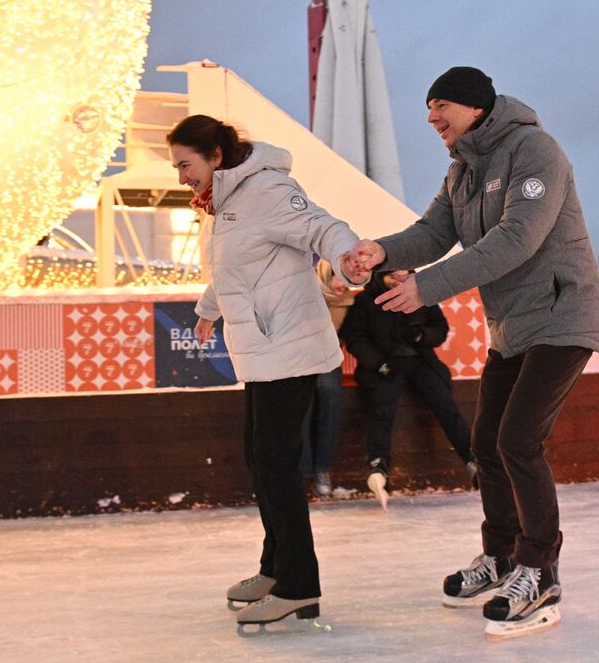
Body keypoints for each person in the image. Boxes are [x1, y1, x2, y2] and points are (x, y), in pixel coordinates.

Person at [348, 66, 599, 642]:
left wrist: (427, 288)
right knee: (488, 443)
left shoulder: (535, 150)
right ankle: (504, 558)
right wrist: (379, 249)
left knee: (518, 440)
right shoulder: (462, 170)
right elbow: (433, 234)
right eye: (428, 108)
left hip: (563, 316)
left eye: (441, 105)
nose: (431, 118)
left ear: (475, 106)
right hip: (512, 325)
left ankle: (540, 571)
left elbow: (518, 239)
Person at [168, 114, 364, 633]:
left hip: (290, 348)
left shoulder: (268, 189)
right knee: (262, 460)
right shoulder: (226, 201)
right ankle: (275, 571)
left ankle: (299, 587)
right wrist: (209, 307)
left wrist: (349, 259)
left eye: (185, 164)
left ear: (214, 155)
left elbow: (324, 227)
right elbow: (236, 266)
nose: (181, 176)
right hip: (263, 350)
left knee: (276, 465)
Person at [339, 268, 474, 509]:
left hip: (420, 360)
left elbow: (440, 328)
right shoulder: (366, 301)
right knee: (383, 407)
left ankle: (473, 460)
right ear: (381, 276)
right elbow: (355, 337)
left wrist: (422, 336)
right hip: (384, 365)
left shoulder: (420, 295)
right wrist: (377, 363)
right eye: (393, 277)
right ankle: (378, 465)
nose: (399, 282)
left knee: (445, 403)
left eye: (405, 276)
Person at [299, 259, 354, 498]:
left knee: (330, 402)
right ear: (325, 275)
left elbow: (353, 332)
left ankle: (322, 468)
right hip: (298, 358)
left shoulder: (349, 301)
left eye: (347, 279)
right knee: (302, 410)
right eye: (339, 277)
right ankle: (302, 472)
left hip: (328, 358)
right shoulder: (304, 293)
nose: (343, 285)